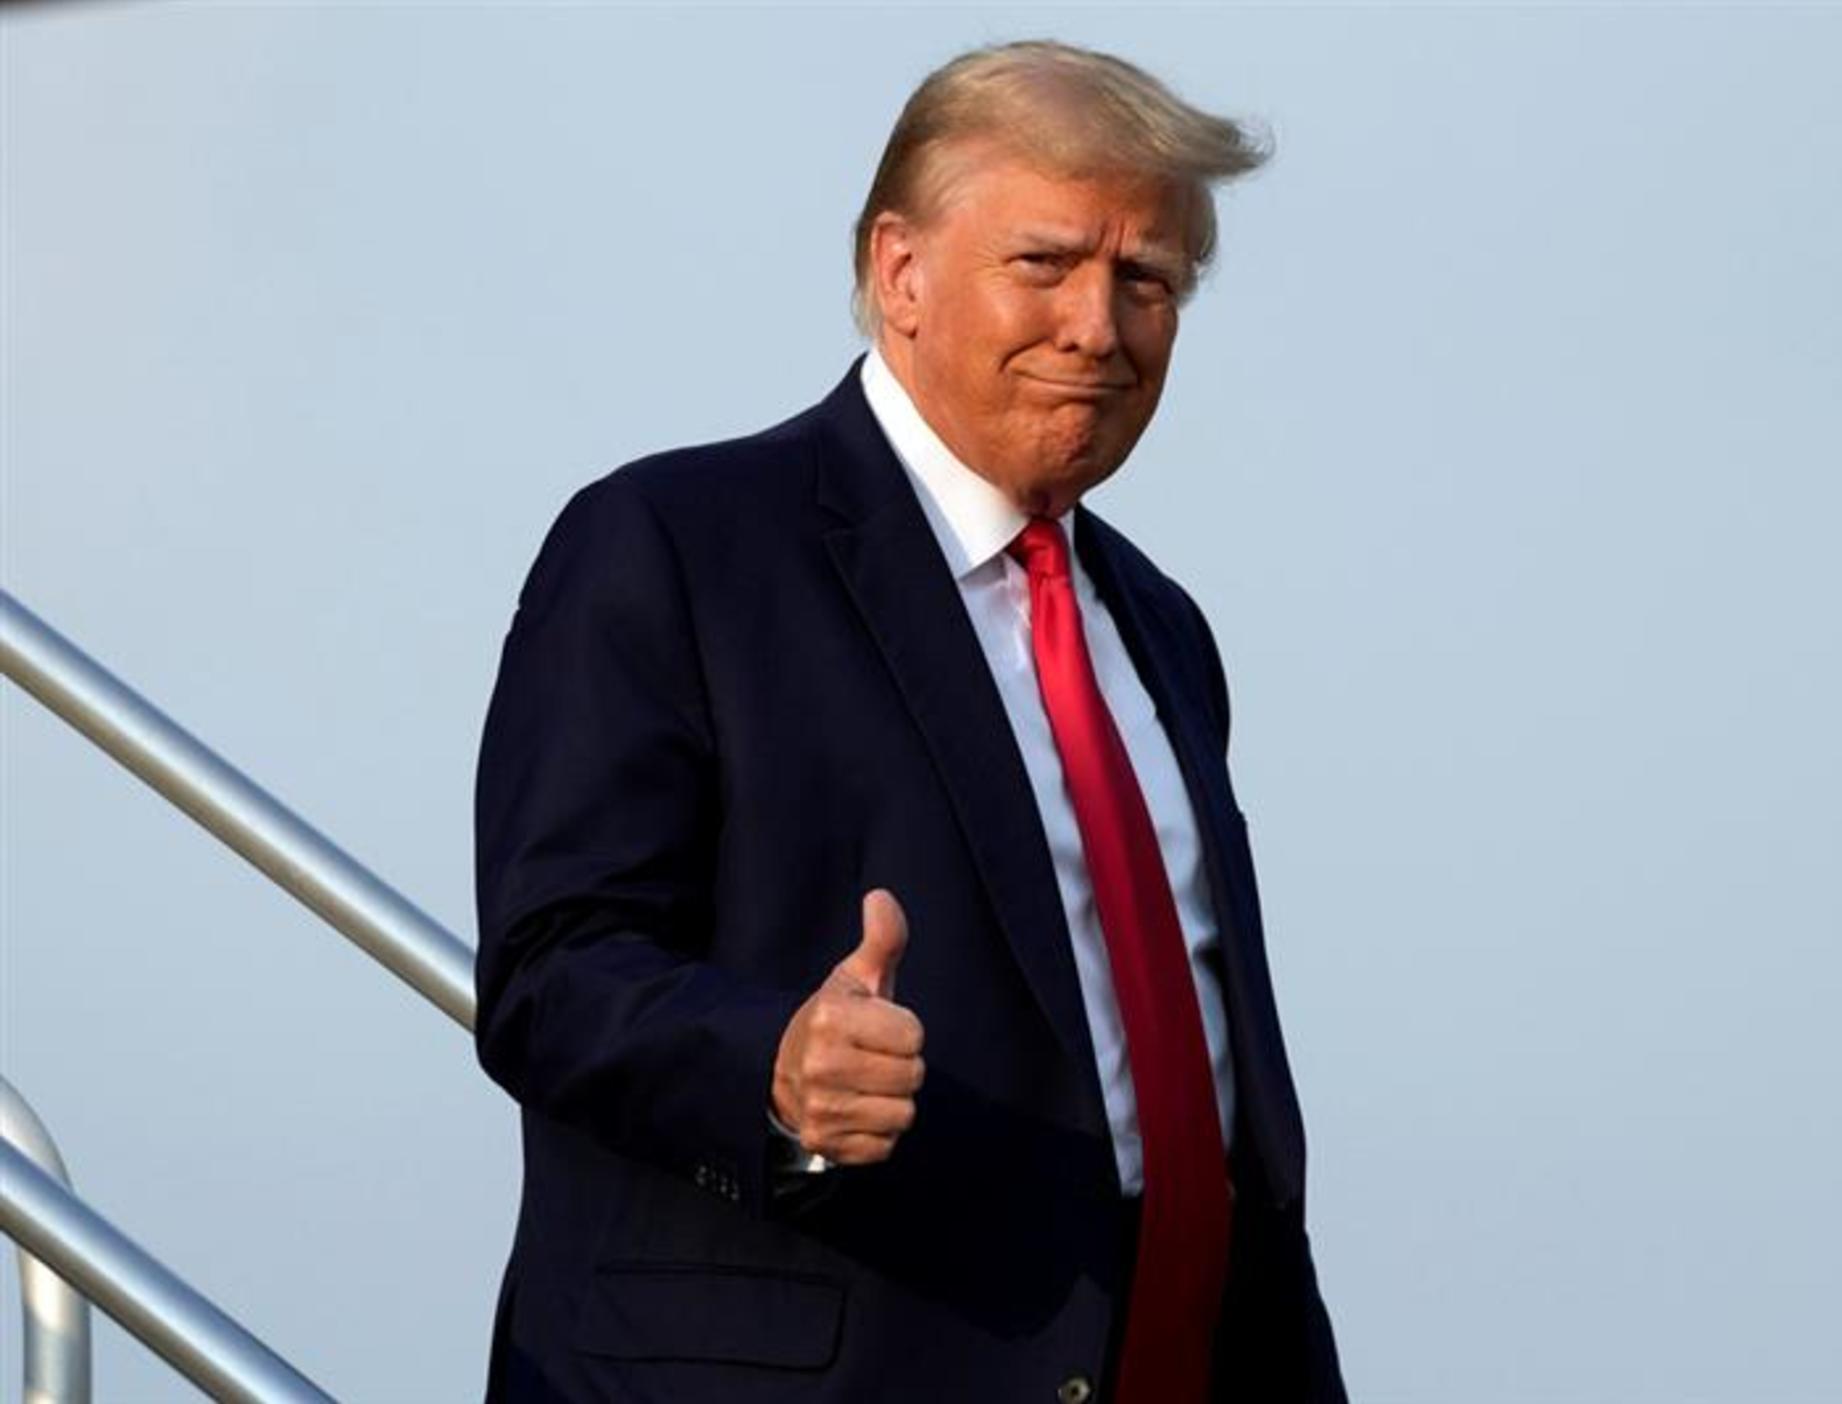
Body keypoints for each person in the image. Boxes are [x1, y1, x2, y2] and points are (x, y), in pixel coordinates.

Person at [473, 37, 1345, 1403]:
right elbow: (550, 971)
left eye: (1145, 281)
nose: (1096, 328)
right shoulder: (674, 544)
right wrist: (770, 1064)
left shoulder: (1159, 626)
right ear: (900, 272)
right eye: (1043, 263)